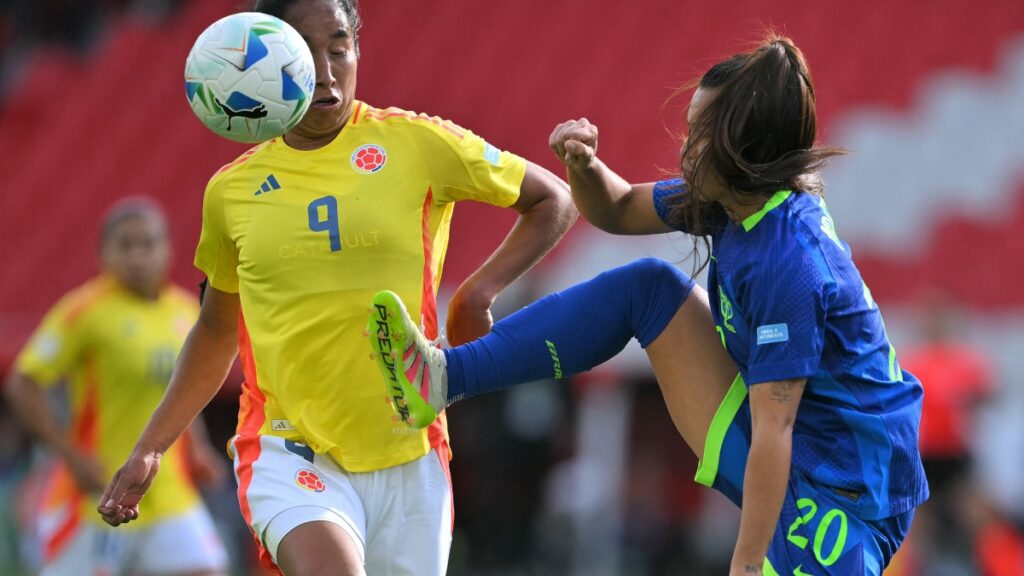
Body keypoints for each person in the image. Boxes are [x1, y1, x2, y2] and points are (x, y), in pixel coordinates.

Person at [368, 35, 929, 575]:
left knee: (656, 295)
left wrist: (747, 563)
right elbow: (615, 209)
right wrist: (584, 165)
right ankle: (444, 376)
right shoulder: (735, 200)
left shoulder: (788, 261)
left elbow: (774, 429)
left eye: (699, 136)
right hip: (810, 450)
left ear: (741, 149)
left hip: (846, 497)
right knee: (650, 290)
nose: (684, 148)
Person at [97, 1, 576, 575]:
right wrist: (151, 447)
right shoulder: (232, 192)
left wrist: (478, 293)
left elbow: (553, 200)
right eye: (304, 51)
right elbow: (218, 329)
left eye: (339, 47)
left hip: (410, 448)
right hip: (287, 444)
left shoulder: (418, 143)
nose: (326, 71)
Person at [4, 198, 228, 576]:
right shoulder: (85, 310)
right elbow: (23, 382)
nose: (137, 256)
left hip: (169, 490)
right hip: (100, 489)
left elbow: (185, 390)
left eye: (148, 244)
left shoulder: (186, 311)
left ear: (168, 249)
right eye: (125, 245)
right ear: (103, 253)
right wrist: (71, 456)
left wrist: (199, 448)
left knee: (206, 569)